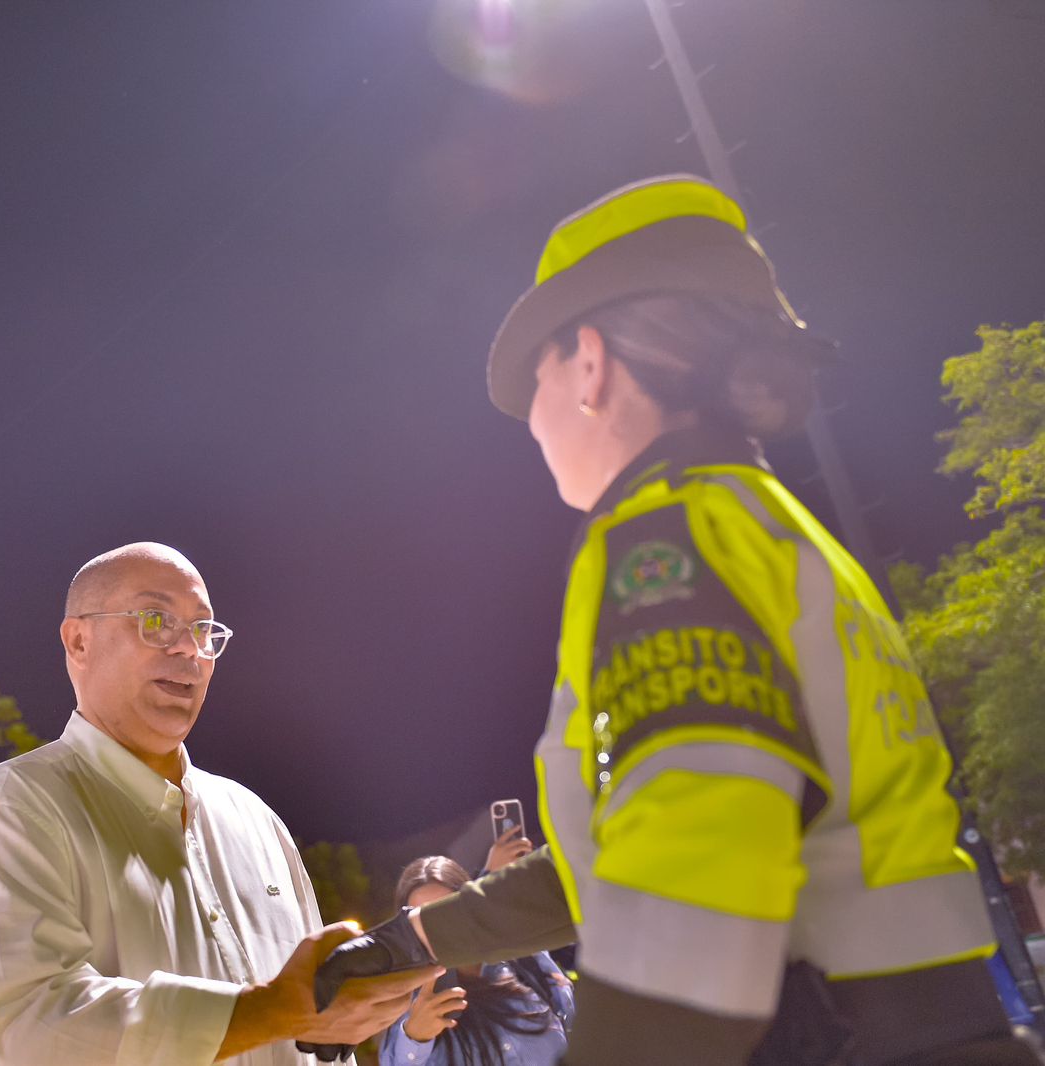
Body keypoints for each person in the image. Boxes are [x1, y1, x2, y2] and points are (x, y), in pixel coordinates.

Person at [310, 176, 1041, 1064]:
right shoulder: (765, 522)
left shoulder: (666, 542)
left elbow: (694, 890)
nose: (533, 424)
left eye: (537, 377)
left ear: (589, 366)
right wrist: (405, 947)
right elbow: (631, 855)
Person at [0, 542, 434, 1065]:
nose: (189, 649)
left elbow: (313, 1036)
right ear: (78, 641)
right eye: (155, 620)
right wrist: (272, 1010)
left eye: (203, 630)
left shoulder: (255, 822)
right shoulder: (17, 808)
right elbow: (35, 1029)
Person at [379, 855, 568, 1066]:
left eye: (445, 913)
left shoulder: (525, 961)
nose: (438, 932)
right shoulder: (406, 1005)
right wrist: (415, 1037)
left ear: (472, 910)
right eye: (422, 921)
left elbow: (573, 1021)